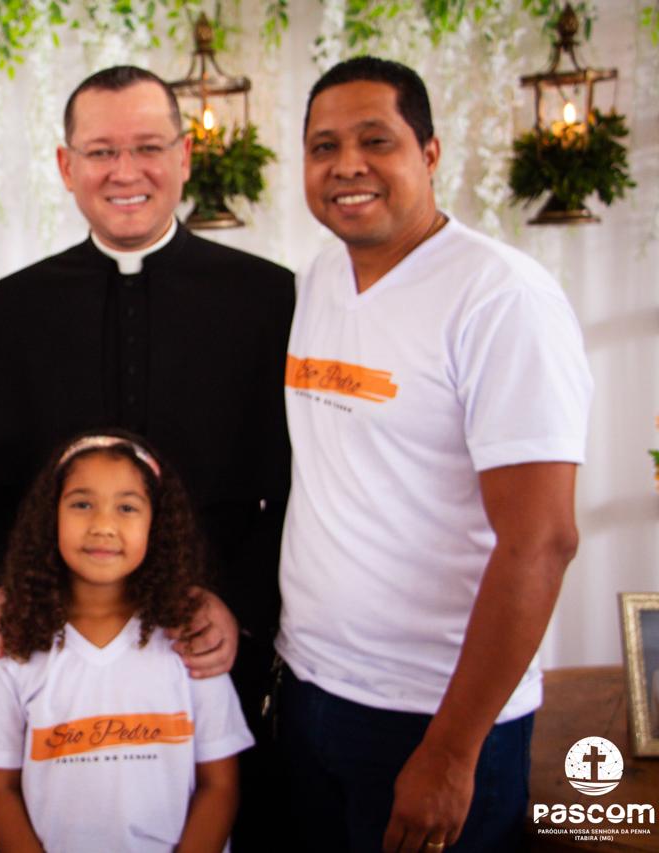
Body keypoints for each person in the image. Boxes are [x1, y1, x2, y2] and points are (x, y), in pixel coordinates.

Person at [0, 64, 293, 846]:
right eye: (101, 151)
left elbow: (290, 485)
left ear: (185, 156)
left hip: (214, 639)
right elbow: (1, 484)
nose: (125, 172)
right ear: (66, 165)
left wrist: (240, 607)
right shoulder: (17, 304)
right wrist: (2, 592)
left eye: (148, 147)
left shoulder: (268, 297)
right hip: (60, 642)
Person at [278, 57, 592, 852]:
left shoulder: (501, 297)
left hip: (434, 716)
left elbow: (542, 539)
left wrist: (452, 751)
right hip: (308, 689)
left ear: (429, 153)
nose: (347, 164)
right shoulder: (320, 278)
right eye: (323, 147)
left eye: (375, 140)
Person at [0, 431, 253, 852]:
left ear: (157, 524)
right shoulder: (14, 643)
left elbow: (219, 784)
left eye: (127, 507)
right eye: (82, 504)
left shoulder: (191, 640)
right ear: (50, 517)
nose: (102, 525)